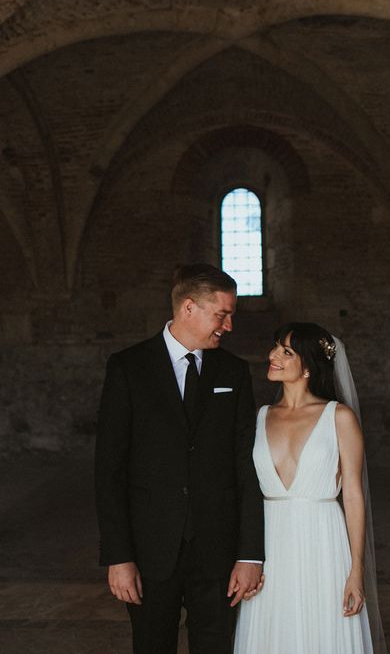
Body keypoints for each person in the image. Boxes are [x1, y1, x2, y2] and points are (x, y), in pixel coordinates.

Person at [95, 264, 265, 654]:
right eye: (221, 314)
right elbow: (109, 470)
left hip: (218, 549)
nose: (229, 325)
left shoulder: (234, 371)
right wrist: (118, 557)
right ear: (189, 308)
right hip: (149, 549)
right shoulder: (127, 368)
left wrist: (249, 554)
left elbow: (246, 464)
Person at [234, 322, 386, 654]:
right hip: (270, 544)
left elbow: (354, 495)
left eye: (286, 351)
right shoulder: (259, 417)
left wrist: (355, 572)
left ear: (307, 367)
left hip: (324, 543)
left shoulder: (339, 417)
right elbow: (243, 492)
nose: (272, 355)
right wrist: (244, 557)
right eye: (275, 346)